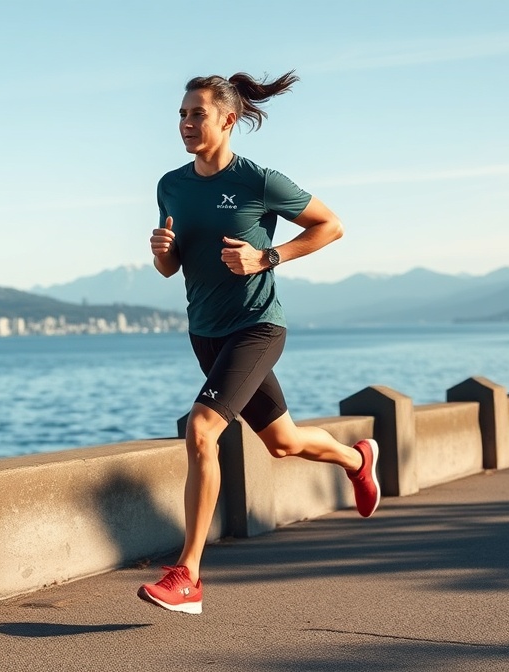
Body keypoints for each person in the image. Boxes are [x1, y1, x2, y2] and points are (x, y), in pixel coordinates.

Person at [137, 71, 380, 615]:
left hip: (257, 326)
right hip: (206, 331)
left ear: (227, 120)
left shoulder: (258, 180)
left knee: (202, 430)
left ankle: (188, 575)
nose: (185, 123)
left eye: (196, 113)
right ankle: (356, 459)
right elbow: (170, 268)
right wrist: (160, 251)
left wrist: (267, 257)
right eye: (181, 113)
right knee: (284, 443)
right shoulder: (170, 185)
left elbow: (331, 226)